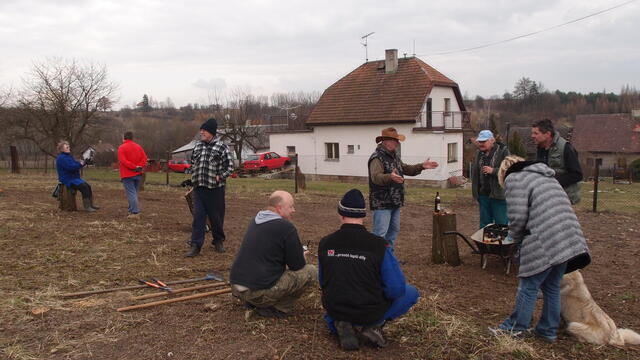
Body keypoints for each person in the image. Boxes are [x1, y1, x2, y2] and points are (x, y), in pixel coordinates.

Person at [489, 155, 590, 343]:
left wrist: (516, 240)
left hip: (546, 235)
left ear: (503, 172)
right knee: (551, 285)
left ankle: (515, 328)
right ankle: (547, 330)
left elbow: (518, 216)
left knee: (528, 285)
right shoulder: (545, 176)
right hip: (568, 235)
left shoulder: (515, 178)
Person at [318, 189, 419, 351]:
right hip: (369, 310)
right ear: (363, 216)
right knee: (411, 292)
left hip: (336, 307)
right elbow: (396, 288)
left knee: (335, 304)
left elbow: (323, 281)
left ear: (341, 214)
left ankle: (340, 323)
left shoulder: (325, 243)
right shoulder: (379, 245)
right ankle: (372, 326)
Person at [230, 190, 317, 318]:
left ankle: (253, 301)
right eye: (291, 206)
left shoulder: (256, 220)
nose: (294, 210)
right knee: (311, 271)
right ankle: (277, 308)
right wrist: (301, 257)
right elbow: (296, 266)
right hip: (257, 292)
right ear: (279, 208)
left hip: (237, 286)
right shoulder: (286, 227)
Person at [368, 127, 438, 249]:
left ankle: (389, 261)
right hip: (382, 203)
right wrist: (390, 177)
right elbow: (376, 177)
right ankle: (376, 263)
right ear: (386, 141)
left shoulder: (394, 157)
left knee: (393, 233)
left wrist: (422, 166)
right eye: (395, 140)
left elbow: (406, 169)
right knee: (380, 235)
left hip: (395, 202)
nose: (398, 143)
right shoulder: (376, 158)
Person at [185, 118, 234, 257]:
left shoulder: (222, 147)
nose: (201, 132)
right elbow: (193, 163)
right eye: (201, 130)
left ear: (211, 132)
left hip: (215, 189)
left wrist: (220, 176)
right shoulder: (198, 146)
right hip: (199, 188)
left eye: (204, 130)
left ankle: (218, 241)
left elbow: (230, 167)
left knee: (216, 217)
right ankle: (196, 245)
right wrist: (191, 174)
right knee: (198, 217)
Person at [531, 118, 583, 204]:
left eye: (536, 133)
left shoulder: (566, 148)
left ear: (548, 134)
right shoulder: (540, 148)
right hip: (546, 197)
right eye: (532, 133)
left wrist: (552, 182)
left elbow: (577, 175)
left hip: (563, 198)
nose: (532, 136)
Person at [471, 130, 510, 228]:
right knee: (484, 225)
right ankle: (484, 243)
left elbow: (509, 170)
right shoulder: (479, 153)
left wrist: (493, 171)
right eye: (480, 142)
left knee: (501, 224)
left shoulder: (503, 151)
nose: (481, 144)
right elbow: (475, 174)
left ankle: (502, 243)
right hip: (483, 195)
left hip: (499, 195)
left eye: (484, 141)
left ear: (492, 140)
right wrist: (475, 193)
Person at [55, 140, 99, 212]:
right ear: (61, 149)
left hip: (74, 178)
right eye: (67, 147)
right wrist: (81, 164)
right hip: (67, 179)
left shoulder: (68, 156)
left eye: (68, 147)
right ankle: (87, 207)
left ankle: (91, 205)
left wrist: (84, 162)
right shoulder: (61, 158)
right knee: (84, 187)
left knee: (88, 186)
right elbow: (71, 167)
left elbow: (76, 164)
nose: (69, 148)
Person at [117, 131, 148, 218]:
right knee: (134, 193)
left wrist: (133, 167)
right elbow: (145, 158)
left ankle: (135, 212)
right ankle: (131, 210)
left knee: (131, 193)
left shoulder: (121, 148)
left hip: (127, 174)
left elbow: (123, 161)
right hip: (138, 173)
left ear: (124, 137)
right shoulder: (138, 147)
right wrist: (139, 167)